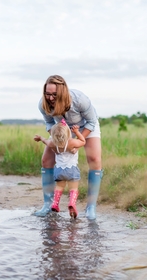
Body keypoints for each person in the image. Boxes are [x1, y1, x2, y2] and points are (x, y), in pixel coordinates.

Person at [34, 75, 103, 220]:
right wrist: (60, 143)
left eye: (54, 94)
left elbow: (91, 121)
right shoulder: (43, 104)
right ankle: (48, 204)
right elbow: (49, 124)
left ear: (63, 91)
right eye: (48, 94)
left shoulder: (79, 99)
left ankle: (91, 208)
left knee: (95, 159)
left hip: (86, 127)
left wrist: (77, 142)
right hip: (62, 130)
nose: (51, 98)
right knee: (46, 160)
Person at [34, 120, 86, 218]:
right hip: (72, 170)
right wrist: (77, 132)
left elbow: (45, 141)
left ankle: (55, 204)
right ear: (67, 133)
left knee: (59, 187)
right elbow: (83, 141)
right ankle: (71, 203)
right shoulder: (72, 142)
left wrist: (40, 138)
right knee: (73, 188)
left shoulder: (53, 144)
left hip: (59, 170)